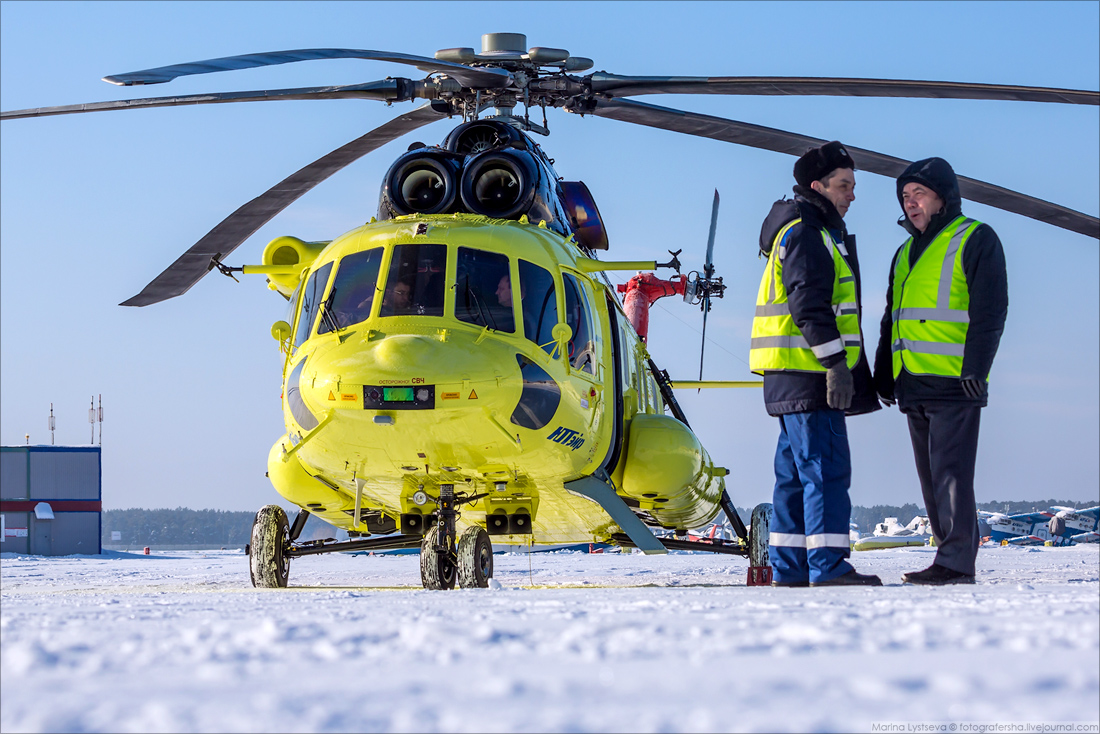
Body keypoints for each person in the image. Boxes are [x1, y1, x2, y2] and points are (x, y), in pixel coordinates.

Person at [750, 141, 882, 588]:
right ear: (817, 187)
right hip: (810, 375)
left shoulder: (793, 230)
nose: (851, 195)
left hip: (785, 377)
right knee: (825, 471)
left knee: (791, 477)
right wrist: (836, 365)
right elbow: (809, 303)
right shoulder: (809, 232)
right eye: (844, 185)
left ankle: (791, 568)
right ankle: (829, 565)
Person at [873, 157, 1008, 585]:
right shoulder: (904, 252)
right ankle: (946, 555)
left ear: (943, 199)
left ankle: (956, 562)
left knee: (951, 474)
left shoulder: (975, 238)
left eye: (920, 195)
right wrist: (882, 371)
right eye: (905, 197)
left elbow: (991, 309)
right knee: (931, 478)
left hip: (955, 380)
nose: (911, 204)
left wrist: (977, 367)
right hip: (912, 378)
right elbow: (891, 316)